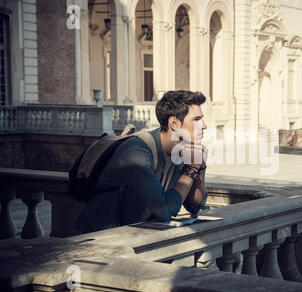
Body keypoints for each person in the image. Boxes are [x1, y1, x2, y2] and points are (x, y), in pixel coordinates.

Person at [74, 90, 208, 233]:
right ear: (174, 123)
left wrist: (200, 168)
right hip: (104, 238)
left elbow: (195, 205)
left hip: (137, 234)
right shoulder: (137, 151)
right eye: (196, 120)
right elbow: (164, 210)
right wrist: (191, 169)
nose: (204, 125)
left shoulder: (180, 151)